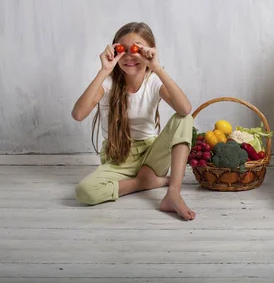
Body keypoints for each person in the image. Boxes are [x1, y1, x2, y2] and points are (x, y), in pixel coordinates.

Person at [71, 22, 196, 221]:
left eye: (137, 49)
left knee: (184, 118)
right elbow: (78, 114)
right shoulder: (108, 84)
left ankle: (173, 193)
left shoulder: (153, 81)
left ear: (149, 51)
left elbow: (185, 108)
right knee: (85, 192)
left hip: (151, 155)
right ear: (113, 51)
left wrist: (157, 67)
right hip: (118, 157)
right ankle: (144, 182)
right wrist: (104, 70)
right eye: (123, 50)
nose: (130, 56)